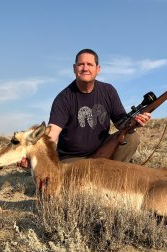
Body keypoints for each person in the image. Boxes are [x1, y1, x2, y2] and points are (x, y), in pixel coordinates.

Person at [19, 48, 151, 168]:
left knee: (132, 137)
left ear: (98, 69)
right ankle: (102, 176)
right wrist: (35, 155)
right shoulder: (63, 98)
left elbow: (121, 124)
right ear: (74, 68)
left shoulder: (108, 91)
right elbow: (52, 134)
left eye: (90, 64)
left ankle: (113, 174)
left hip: (103, 150)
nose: (85, 68)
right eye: (81, 64)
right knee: (77, 175)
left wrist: (136, 122)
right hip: (72, 159)